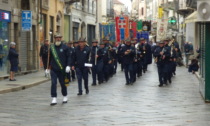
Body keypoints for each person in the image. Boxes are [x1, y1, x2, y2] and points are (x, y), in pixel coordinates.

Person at [46, 33, 71, 106]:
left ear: (61, 38)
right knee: (53, 83)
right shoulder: (51, 47)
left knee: (63, 83)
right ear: (54, 38)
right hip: (54, 69)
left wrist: (68, 66)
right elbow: (49, 59)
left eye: (59, 37)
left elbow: (69, 57)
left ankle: (65, 96)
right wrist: (47, 68)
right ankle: (54, 98)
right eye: (57, 38)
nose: (58, 39)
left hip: (62, 69)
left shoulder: (65, 47)